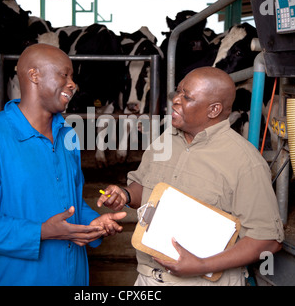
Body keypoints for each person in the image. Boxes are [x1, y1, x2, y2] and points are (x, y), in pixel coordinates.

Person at [0, 43, 126, 286]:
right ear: (34, 75)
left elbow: (71, 204)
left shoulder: (68, 137)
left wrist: (92, 223)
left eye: (73, 77)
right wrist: (41, 232)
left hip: (73, 277)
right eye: (64, 74)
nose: (72, 84)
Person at [97, 66, 284, 286]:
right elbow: (146, 189)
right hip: (148, 277)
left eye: (186, 97)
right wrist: (126, 194)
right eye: (177, 92)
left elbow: (268, 241)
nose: (175, 100)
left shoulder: (245, 162)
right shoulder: (165, 141)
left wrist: (203, 265)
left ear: (213, 110)